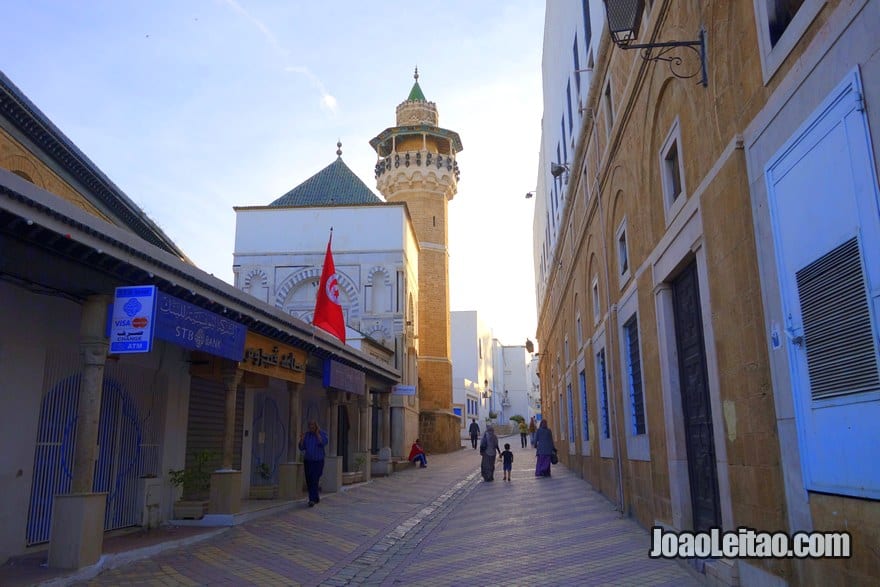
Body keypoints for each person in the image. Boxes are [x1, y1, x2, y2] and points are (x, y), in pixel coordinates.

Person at [298, 420, 329, 507]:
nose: (311, 427)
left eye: (312, 425)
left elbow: (324, 442)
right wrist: (302, 439)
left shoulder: (322, 433)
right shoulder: (307, 435)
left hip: (318, 461)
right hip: (308, 461)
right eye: (309, 425)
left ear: (316, 425)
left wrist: (317, 434)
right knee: (309, 480)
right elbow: (301, 447)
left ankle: (311, 499)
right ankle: (315, 497)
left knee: (314, 479)